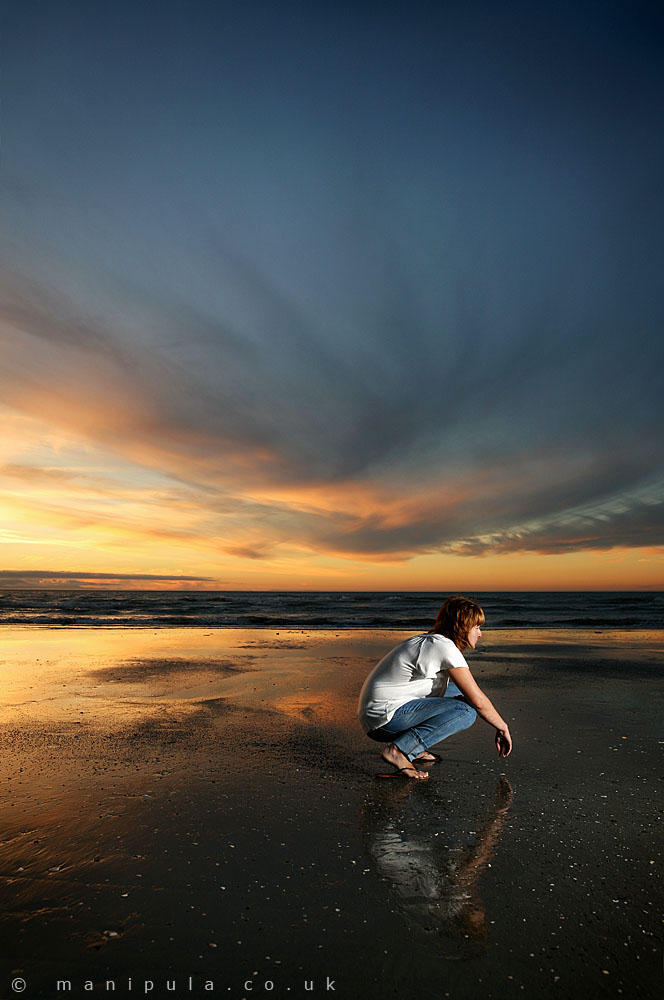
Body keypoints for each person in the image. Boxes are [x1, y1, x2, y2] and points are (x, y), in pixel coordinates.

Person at [357, 595, 512, 780]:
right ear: (462, 626)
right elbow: (478, 701)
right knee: (466, 711)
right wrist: (502, 727)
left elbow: (473, 694)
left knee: (460, 693)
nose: (480, 633)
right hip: (384, 720)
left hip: (378, 713)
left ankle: (415, 749)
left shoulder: (433, 641)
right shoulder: (444, 648)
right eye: (477, 627)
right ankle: (399, 750)